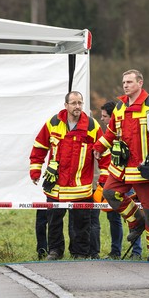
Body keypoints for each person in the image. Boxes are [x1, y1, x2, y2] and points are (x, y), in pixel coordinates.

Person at [93, 69, 149, 262]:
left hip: (145, 168)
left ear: (140, 83)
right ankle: (135, 220)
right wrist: (99, 146)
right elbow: (111, 132)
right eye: (124, 82)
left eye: (130, 82)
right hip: (122, 167)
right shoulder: (120, 106)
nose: (125, 85)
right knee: (109, 193)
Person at [30, 91, 109, 260]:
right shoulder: (53, 123)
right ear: (65, 105)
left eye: (80, 103)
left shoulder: (91, 126)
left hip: (80, 188)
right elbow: (39, 146)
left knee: (81, 224)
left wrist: (104, 178)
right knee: (54, 222)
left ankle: (79, 253)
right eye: (73, 103)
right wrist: (35, 170)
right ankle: (55, 251)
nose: (77, 106)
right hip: (56, 187)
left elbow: (104, 152)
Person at [98, 100, 142, 259]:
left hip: (127, 179)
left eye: (104, 116)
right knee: (113, 218)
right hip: (113, 179)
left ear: (113, 117)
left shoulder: (124, 132)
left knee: (134, 217)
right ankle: (115, 251)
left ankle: (136, 252)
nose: (102, 119)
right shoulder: (108, 137)